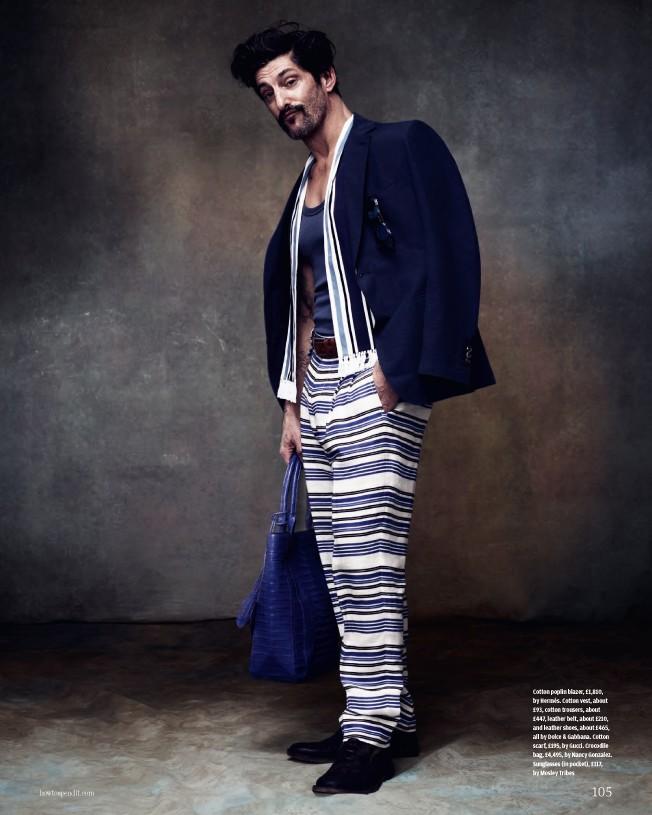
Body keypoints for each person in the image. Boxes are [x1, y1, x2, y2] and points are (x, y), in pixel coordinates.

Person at [230, 20, 496, 796]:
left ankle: (368, 734)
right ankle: (387, 714)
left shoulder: (398, 145)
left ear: (326, 77)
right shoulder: (303, 186)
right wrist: (290, 403)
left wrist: (396, 369)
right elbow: (303, 297)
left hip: (375, 383)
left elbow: (446, 254)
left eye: (289, 81)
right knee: (343, 568)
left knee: (368, 563)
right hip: (316, 388)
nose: (280, 100)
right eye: (266, 92)